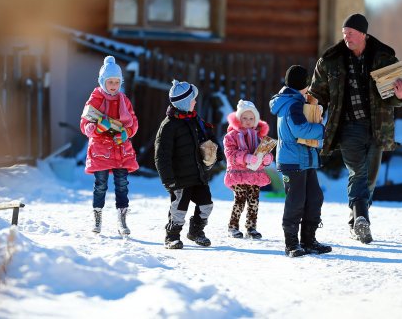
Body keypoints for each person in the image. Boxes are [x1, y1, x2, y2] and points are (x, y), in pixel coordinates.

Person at [308, 13, 402, 244]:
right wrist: (312, 110)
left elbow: (396, 97)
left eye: (352, 34)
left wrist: (401, 95)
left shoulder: (384, 58)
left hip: (377, 126)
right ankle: (362, 218)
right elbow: (317, 95)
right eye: (345, 34)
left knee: (370, 178)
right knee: (358, 172)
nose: (347, 38)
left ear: (364, 34)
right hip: (347, 126)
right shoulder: (330, 60)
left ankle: (355, 219)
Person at [269, 65, 333, 257]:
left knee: (314, 198)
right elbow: (299, 130)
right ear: (304, 84)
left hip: (305, 160)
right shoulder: (293, 104)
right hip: (293, 162)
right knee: (296, 201)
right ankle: (291, 243)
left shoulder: (295, 101)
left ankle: (309, 240)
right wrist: (323, 130)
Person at [155, 80, 224, 249]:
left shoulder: (195, 119)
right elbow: (161, 156)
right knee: (179, 209)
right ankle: (172, 236)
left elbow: (208, 136)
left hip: (198, 174)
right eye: (193, 99)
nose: (195, 102)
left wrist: (217, 153)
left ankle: (196, 231)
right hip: (179, 178)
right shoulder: (169, 126)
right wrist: (168, 179)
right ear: (184, 102)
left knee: (206, 204)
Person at [80, 56, 139, 236]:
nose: (113, 85)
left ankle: (122, 221)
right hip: (101, 151)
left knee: (122, 185)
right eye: (110, 82)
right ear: (102, 82)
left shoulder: (124, 100)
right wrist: (95, 127)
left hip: (121, 149)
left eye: (116, 82)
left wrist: (127, 133)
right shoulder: (95, 99)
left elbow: (133, 122)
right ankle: (97, 218)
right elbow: (84, 123)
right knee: (101, 185)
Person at [223, 100, 273, 239]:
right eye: (244, 118)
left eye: (251, 118)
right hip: (238, 175)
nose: (248, 121)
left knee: (254, 202)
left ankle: (251, 227)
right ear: (238, 118)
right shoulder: (231, 136)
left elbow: (262, 154)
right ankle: (233, 227)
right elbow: (230, 155)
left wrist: (267, 159)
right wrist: (246, 157)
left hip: (254, 176)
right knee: (239, 200)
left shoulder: (259, 136)